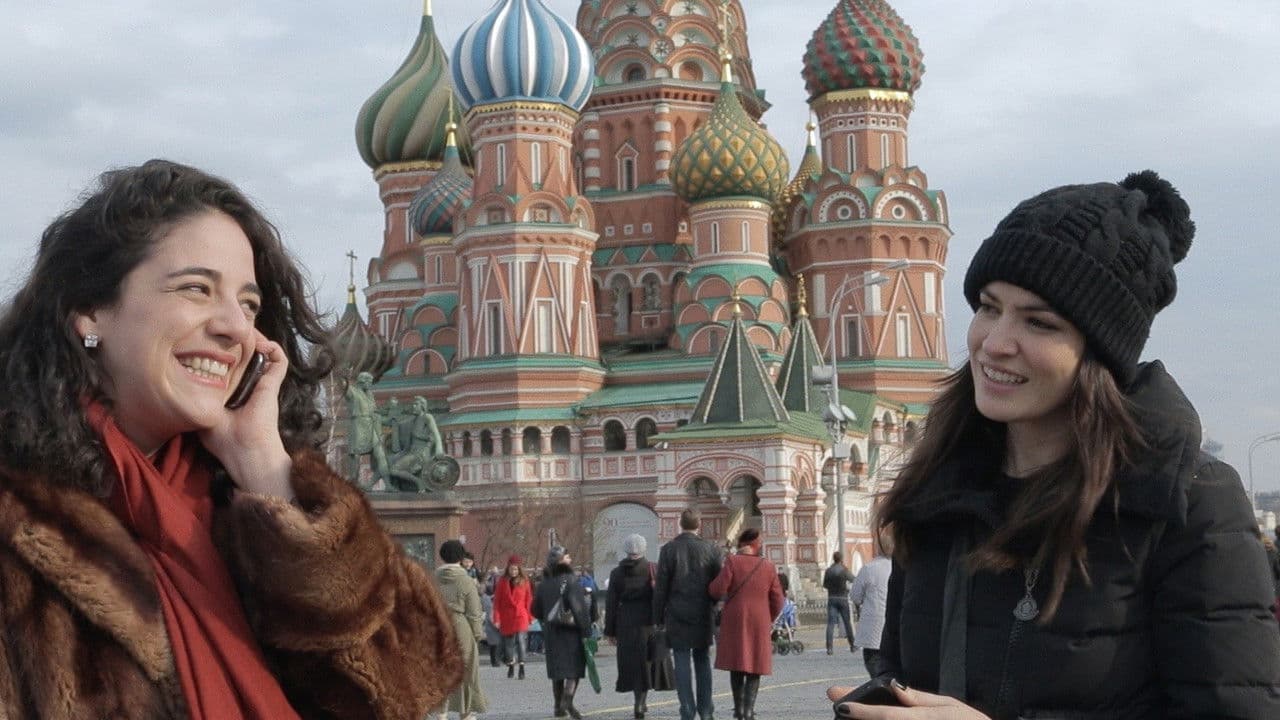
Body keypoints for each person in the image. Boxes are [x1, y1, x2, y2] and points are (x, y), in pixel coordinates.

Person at [0, 159, 463, 719]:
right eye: (196, 289)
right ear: (91, 313)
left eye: (248, 304)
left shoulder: (240, 515)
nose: (236, 328)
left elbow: (405, 687)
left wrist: (265, 466)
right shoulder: (17, 529)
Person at [829, 171, 1280, 719]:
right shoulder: (937, 492)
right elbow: (911, 678)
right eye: (989, 307)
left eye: (1039, 323)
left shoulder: (1187, 502)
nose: (994, 344)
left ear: (1100, 352)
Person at [653, 508, 724, 720]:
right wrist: (716, 606)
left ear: (680, 524)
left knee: (681, 660)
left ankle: (686, 708)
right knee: (702, 660)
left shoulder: (668, 549)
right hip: (703, 612)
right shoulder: (711, 549)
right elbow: (719, 584)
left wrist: (658, 618)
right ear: (698, 524)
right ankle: (706, 709)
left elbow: (661, 587)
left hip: (677, 612)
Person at [708, 528, 784, 720]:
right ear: (755, 544)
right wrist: (769, 617)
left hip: (735, 618)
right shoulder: (768, 566)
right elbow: (778, 599)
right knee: (755, 665)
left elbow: (718, 589)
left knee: (737, 663)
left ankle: (739, 709)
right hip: (759, 619)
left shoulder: (732, 561)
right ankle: (749, 710)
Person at [532, 544, 595, 719]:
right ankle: (567, 701)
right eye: (567, 557)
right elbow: (580, 609)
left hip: (552, 633)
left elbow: (535, 610)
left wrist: (548, 617)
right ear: (560, 561)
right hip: (571, 633)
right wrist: (587, 631)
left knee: (557, 672)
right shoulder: (570, 580)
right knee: (573, 670)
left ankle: (558, 707)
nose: (570, 559)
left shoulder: (544, 583)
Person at [434, 540, 487, 720]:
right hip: (460, 626)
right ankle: (465, 712)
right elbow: (474, 612)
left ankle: (441, 712)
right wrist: (477, 634)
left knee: (441, 668)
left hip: (438, 626)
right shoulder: (465, 580)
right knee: (466, 670)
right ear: (460, 557)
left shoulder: (433, 578)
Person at [605, 534, 657, 719]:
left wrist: (610, 631)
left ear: (625, 550)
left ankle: (638, 701)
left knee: (632, 663)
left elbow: (611, 604)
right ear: (644, 549)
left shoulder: (616, 573)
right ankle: (641, 702)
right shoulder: (652, 569)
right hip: (647, 622)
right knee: (646, 662)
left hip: (625, 621)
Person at [849, 533, 893, 678]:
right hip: (895, 629)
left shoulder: (869, 568)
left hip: (873, 631)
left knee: (875, 668)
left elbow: (855, 596)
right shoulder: (901, 568)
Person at [493, 554, 534, 679]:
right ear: (508, 568)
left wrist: (530, 616)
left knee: (521, 640)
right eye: (511, 569)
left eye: (516, 569)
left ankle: (522, 666)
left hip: (521, 615)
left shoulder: (524, 581)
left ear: (519, 569)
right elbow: (497, 601)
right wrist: (496, 618)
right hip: (507, 616)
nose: (513, 571)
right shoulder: (502, 582)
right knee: (509, 644)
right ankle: (511, 664)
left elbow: (528, 599)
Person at [822, 551, 856, 655]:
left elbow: (825, 585)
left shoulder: (828, 571)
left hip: (832, 598)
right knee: (847, 623)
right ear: (841, 559)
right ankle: (852, 645)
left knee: (830, 624)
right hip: (843, 598)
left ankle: (829, 648)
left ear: (833, 559)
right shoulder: (844, 570)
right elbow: (854, 579)